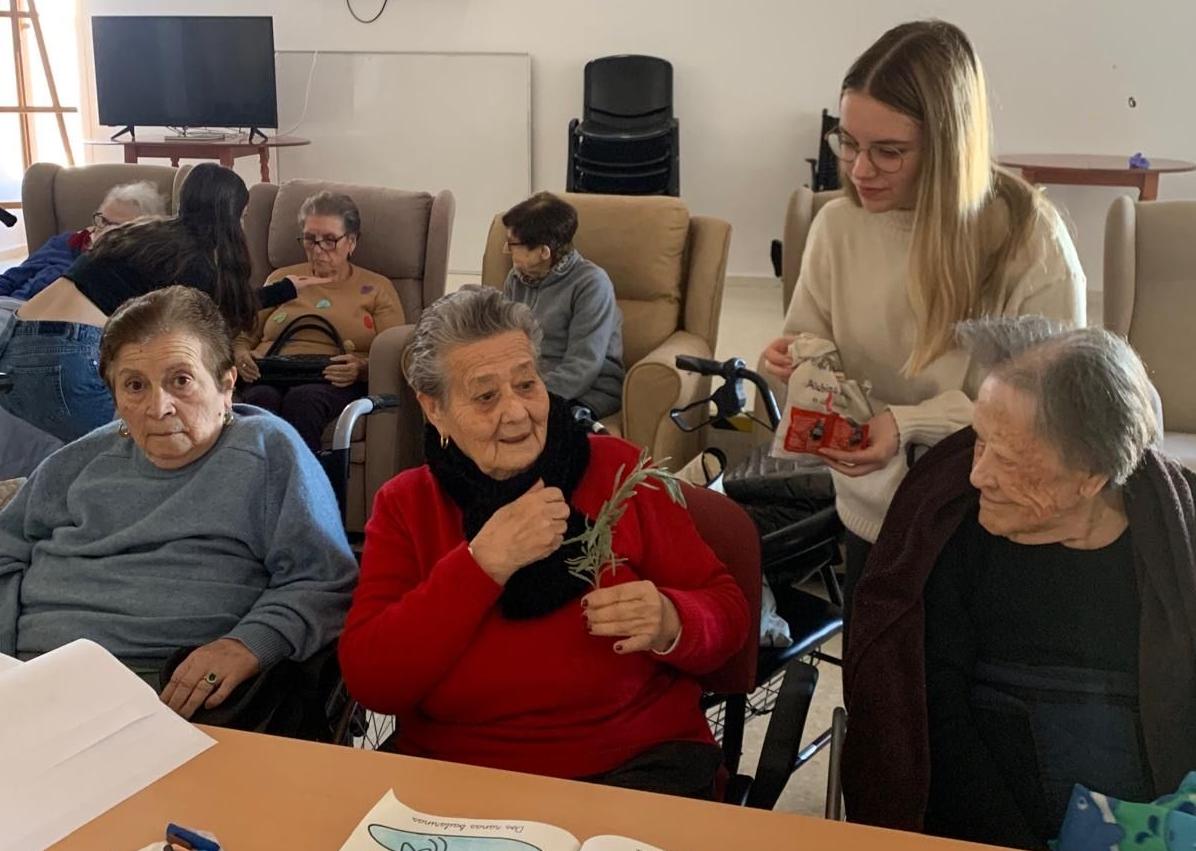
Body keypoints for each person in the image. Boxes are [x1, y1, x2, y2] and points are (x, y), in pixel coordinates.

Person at [338, 286, 749, 798]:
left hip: (633, 762)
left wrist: (672, 618)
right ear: (434, 409)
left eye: (526, 384)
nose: (516, 413)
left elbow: (728, 613)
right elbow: (374, 680)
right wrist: (481, 564)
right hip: (455, 771)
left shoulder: (618, 471)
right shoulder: (408, 503)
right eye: (485, 396)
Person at [760, 20, 1086, 620]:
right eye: (848, 143)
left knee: (960, 703)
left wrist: (906, 424)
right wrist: (794, 363)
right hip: (872, 514)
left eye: (888, 151)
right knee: (880, 696)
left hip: (988, 516)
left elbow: (1048, 408)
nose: (859, 171)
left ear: (950, 146)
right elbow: (812, 341)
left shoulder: (1026, 237)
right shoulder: (837, 226)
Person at [842, 317, 1196, 849]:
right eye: (979, 441)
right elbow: (935, 721)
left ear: (1091, 477)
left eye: (1006, 459)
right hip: (984, 810)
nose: (976, 474)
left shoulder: (1176, 542)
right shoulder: (951, 531)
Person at [0, 286, 357, 722]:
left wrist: (249, 643)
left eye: (181, 380)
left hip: (169, 690)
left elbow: (324, 579)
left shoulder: (266, 452)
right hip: (33, 677)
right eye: (134, 385)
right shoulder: (81, 459)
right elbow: (7, 549)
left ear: (226, 385)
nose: (159, 407)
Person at [0, 163, 260, 443]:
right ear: (231, 218)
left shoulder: (148, 233)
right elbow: (198, 331)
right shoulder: (193, 263)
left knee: (83, 461)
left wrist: (285, 289)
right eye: (242, 218)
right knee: (132, 456)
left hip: (15, 343)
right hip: (70, 352)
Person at [236, 190, 405, 451]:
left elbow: (394, 352)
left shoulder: (376, 287)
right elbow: (244, 332)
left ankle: (307, 489)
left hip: (333, 379)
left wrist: (362, 367)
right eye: (310, 239)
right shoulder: (283, 280)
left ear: (351, 242)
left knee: (304, 400)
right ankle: (254, 488)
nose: (318, 250)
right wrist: (241, 353)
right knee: (258, 400)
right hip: (271, 373)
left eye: (329, 240)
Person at [501, 192, 624, 419]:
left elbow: (583, 365)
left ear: (543, 252)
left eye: (512, 245)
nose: (505, 251)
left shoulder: (591, 283)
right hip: (528, 384)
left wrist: (531, 396)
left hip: (585, 390)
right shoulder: (516, 279)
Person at [0, 180, 166, 301]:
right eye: (103, 220)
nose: (103, 230)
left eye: (116, 227)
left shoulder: (138, 271)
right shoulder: (65, 243)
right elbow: (12, 278)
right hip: (10, 311)